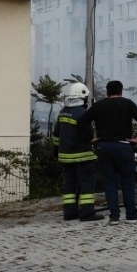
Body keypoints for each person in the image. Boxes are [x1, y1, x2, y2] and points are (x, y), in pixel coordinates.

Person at [78, 80, 137, 225]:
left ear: (107, 91)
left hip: (104, 147)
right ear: (121, 91)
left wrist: (91, 138)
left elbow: (81, 122)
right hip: (123, 146)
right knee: (127, 182)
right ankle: (131, 214)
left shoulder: (98, 106)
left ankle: (114, 216)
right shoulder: (127, 104)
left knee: (110, 183)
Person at [53, 83, 104, 222]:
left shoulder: (63, 112)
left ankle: (69, 213)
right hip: (83, 156)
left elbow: (56, 135)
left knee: (69, 185)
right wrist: (94, 140)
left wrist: (56, 150)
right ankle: (87, 213)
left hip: (65, 157)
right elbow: (88, 134)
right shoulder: (82, 113)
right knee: (87, 184)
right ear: (83, 97)